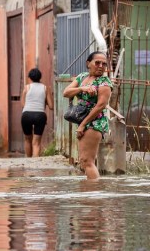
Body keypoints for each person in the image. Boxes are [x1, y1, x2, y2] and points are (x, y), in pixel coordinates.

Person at [63, 51, 113, 180]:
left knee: (87, 161)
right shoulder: (82, 77)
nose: (101, 66)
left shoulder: (104, 82)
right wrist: (82, 88)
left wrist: (83, 125)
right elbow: (66, 92)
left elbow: (101, 105)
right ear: (88, 63)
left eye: (104, 64)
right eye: (97, 63)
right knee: (84, 161)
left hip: (95, 121)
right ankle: (90, 192)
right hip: (84, 120)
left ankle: (94, 194)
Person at [21, 67, 54, 157]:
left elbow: (23, 104)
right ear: (40, 77)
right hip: (40, 115)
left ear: (30, 78)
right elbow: (51, 106)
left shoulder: (26, 87)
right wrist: (45, 101)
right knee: (36, 142)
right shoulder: (45, 88)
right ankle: (35, 165)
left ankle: (28, 160)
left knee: (27, 139)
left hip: (26, 115)